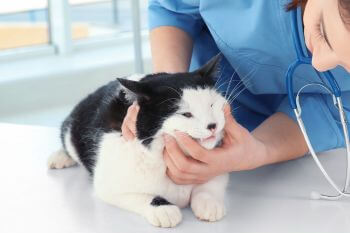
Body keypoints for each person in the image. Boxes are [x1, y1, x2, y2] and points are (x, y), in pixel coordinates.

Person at [122, 0, 350, 185]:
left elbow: (335, 113)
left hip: (285, 160)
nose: (319, 63)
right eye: (323, 32)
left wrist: (259, 151)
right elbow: (173, 8)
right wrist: (168, 90)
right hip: (194, 114)